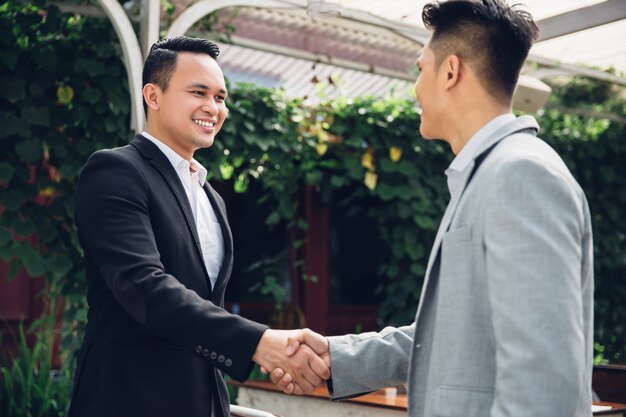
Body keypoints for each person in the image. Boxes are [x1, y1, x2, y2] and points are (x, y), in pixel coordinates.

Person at [271, 1, 594, 416]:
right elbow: (452, 336)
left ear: (450, 72)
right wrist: (336, 356)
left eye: (420, 69)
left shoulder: (521, 174)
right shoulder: (489, 173)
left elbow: (544, 380)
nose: (416, 86)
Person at [68, 36, 329, 417]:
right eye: (198, 92)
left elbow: (206, 310)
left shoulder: (212, 197)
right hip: (128, 401)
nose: (213, 108)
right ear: (153, 96)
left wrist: (269, 357)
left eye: (221, 97)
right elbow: (146, 288)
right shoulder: (115, 171)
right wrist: (259, 343)